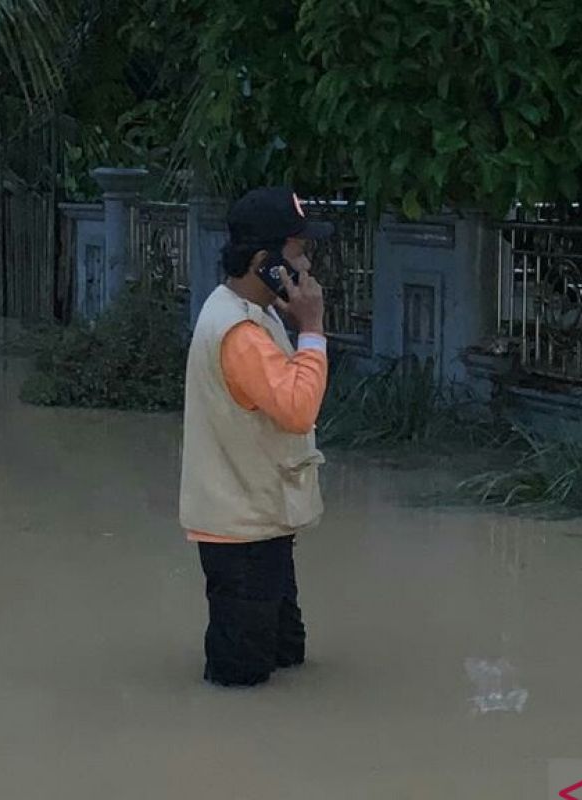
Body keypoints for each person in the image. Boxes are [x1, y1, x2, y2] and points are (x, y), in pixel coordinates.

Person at [179, 186, 334, 687]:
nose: (307, 264)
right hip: (241, 531)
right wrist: (312, 329)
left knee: (286, 656)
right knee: (241, 677)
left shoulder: (253, 314)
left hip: (260, 522)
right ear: (266, 262)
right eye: (298, 253)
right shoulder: (239, 332)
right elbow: (297, 409)